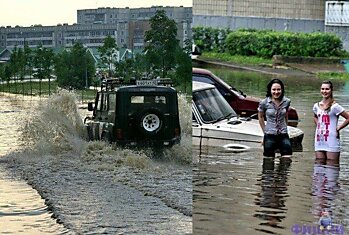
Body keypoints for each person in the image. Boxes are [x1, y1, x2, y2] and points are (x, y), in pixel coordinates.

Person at [313, 80, 349, 165]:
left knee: (332, 167)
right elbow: (315, 116)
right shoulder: (316, 106)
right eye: (322, 89)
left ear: (331, 90)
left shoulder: (335, 106)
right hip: (319, 139)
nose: (324, 91)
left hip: (332, 139)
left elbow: (348, 118)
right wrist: (319, 125)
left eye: (327, 89)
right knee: (319, 167)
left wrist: (338, 129)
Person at [258, 79, 292, 158]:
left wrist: (286, 127)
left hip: (283, 134)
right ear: (270, 90)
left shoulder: (286, 101)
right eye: (274, 89)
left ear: (282, 90)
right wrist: (265, 132)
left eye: (278, 89)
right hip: (269, 134)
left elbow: (286, 114)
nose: (276, 92)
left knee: (287, 157)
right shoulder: (264, 103)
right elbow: (260, 117)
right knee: (268, 161)